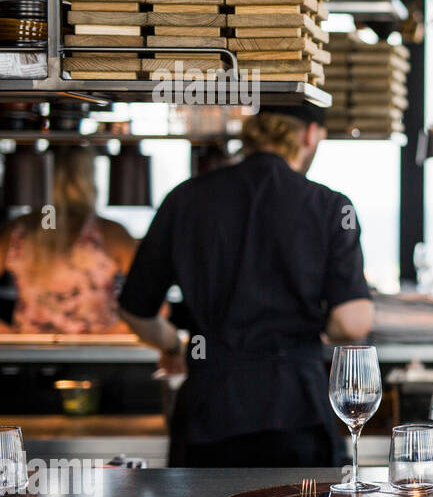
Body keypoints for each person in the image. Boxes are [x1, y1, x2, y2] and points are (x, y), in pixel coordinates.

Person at [117, 105, 373, 468]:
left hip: (211, 411)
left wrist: (173, 344)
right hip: (297, 410)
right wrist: (322, 329)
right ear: (310, 134)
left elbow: (135, 310)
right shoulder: (331, 206)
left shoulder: (186, 198)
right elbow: (353, 322)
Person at [0, 146, 136, 334]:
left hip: (31, 354)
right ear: (88, 179)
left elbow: (154, 305)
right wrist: (109, 337)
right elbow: (156, 307)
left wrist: (13, 337)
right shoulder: (111, 234)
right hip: (100, 355)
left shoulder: (18, 231)